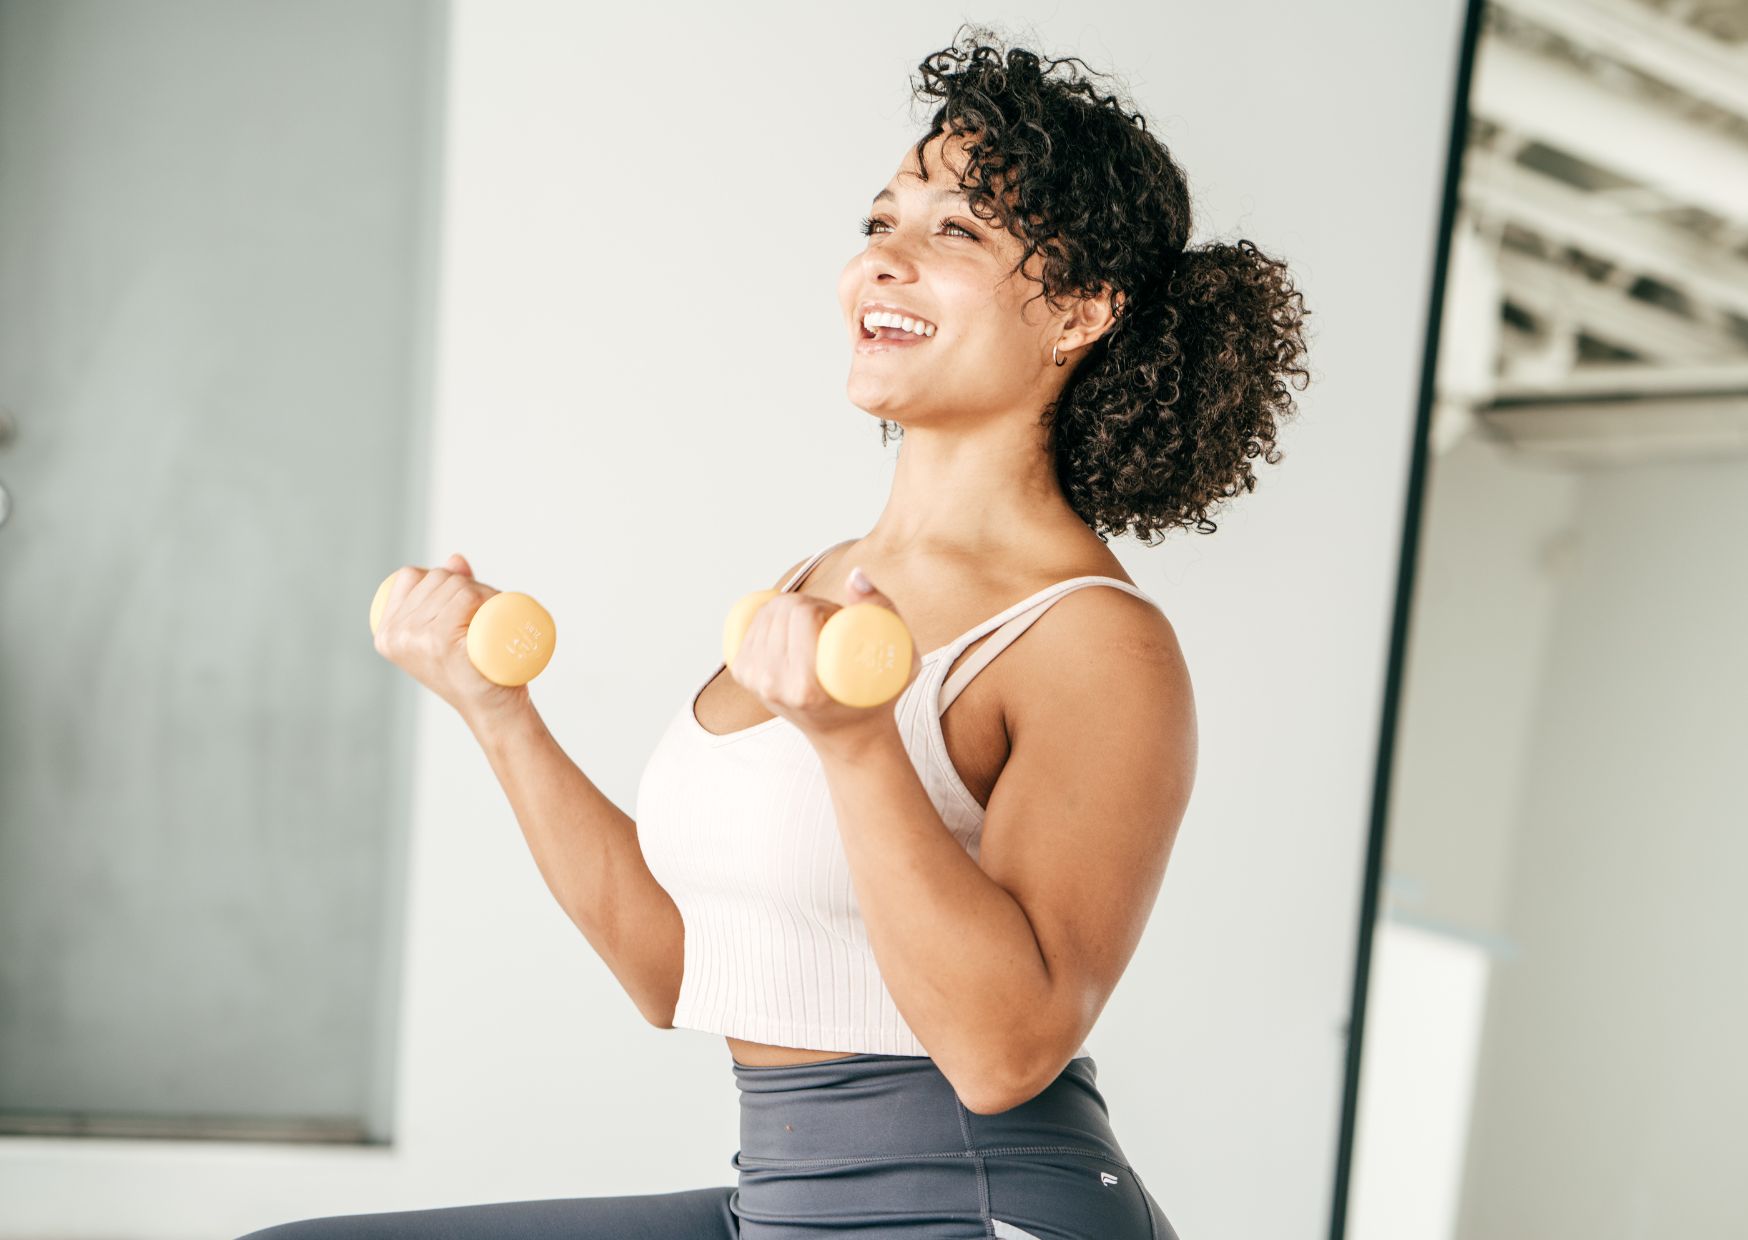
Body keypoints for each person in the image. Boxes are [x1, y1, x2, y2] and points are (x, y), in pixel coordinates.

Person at [240, 22, 1310, 1240]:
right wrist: (496, 709)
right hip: (784, 1192)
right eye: (879, 223)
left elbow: (1004, 1049)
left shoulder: (1090, 641)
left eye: (953, 232)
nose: (882, 264)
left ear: (1078, 309)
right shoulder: (819, 582)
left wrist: (856, 748)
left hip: (980, 1204)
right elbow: (670, 966)